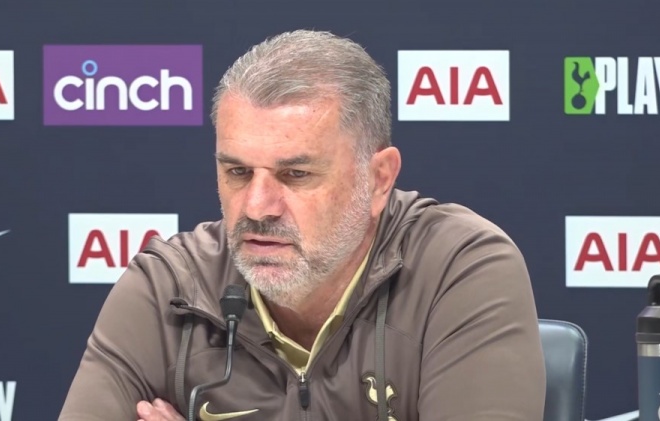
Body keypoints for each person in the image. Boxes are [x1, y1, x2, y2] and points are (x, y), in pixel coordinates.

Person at [58, 29, 546, 421]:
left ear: (378, 179)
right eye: (238, 172)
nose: (258, 207)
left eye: (296, 175)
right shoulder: (168, 287)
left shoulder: (458, 268)